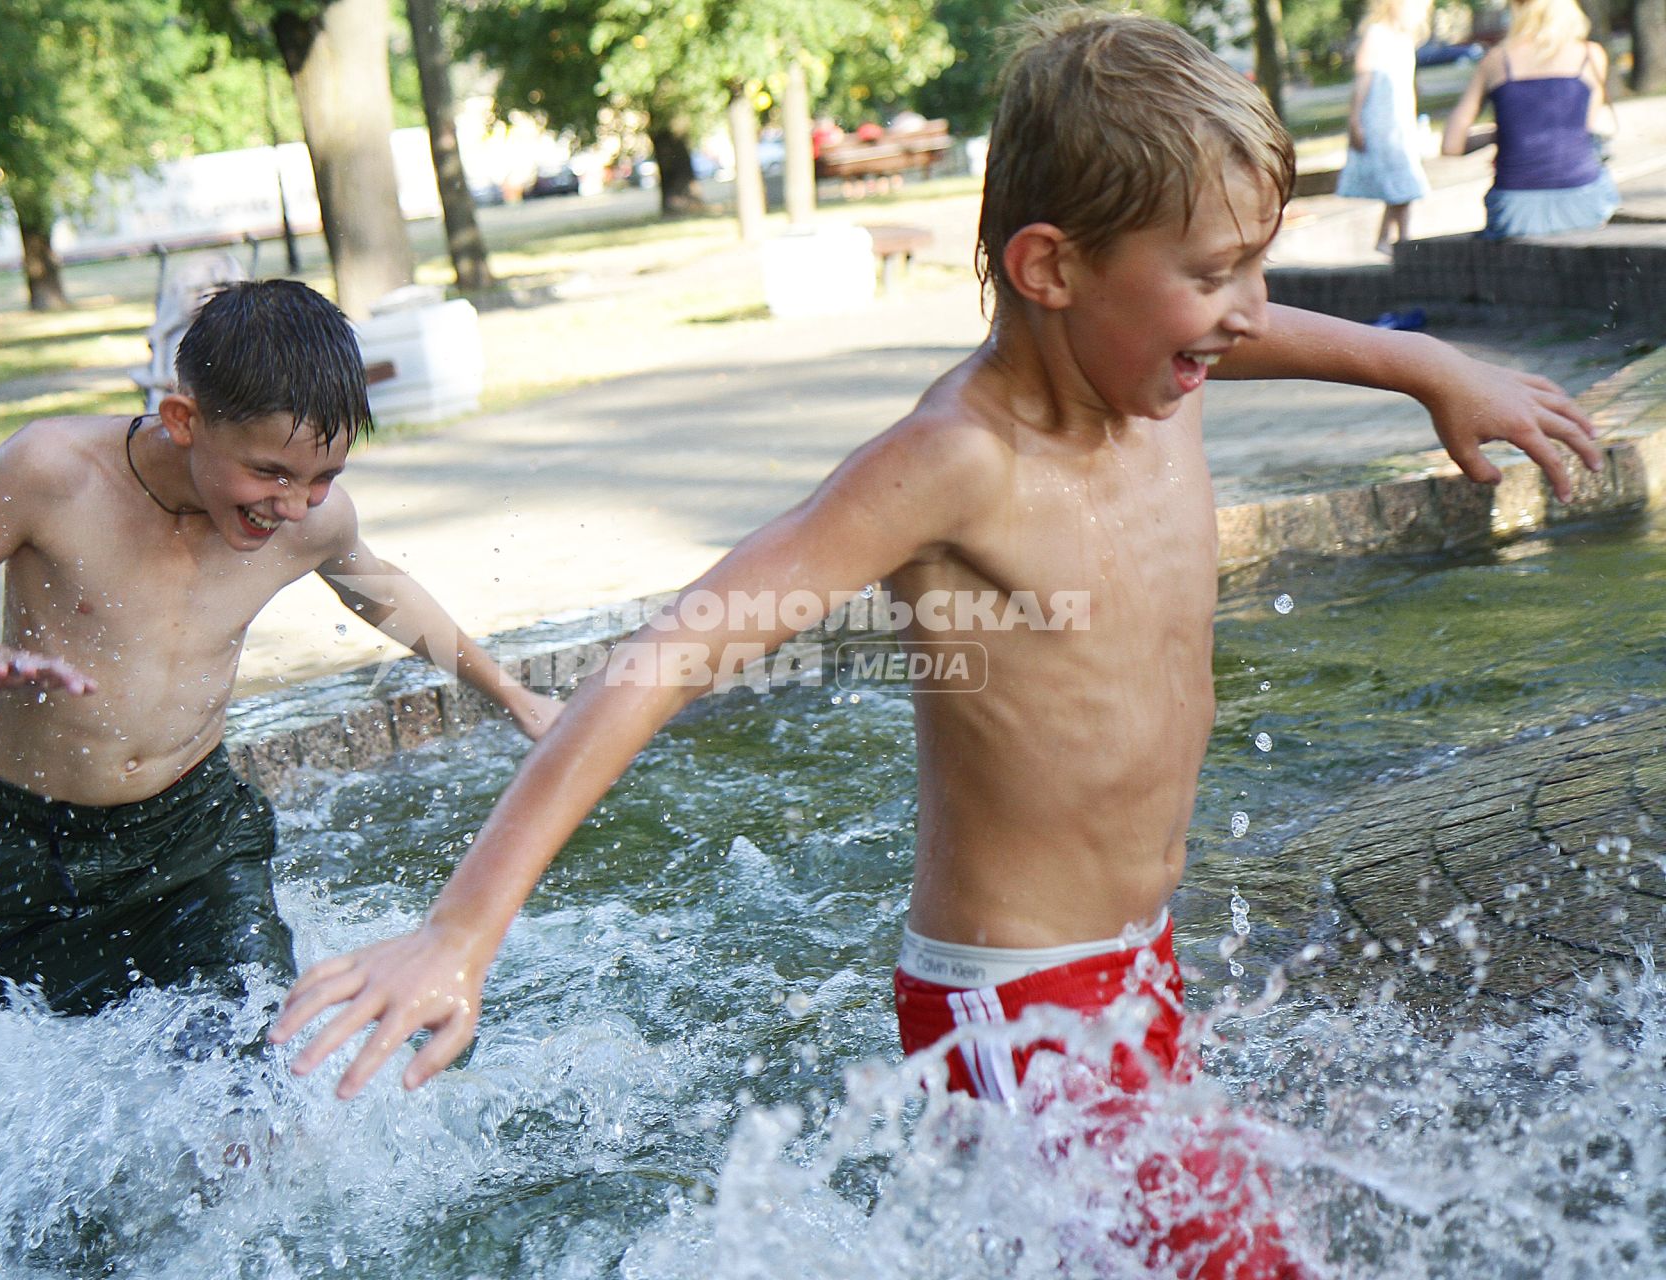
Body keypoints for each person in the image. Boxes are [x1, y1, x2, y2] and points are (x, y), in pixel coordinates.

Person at [273, 13, 1600, 1272]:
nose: (1248, 310)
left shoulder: (1154, 370)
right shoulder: (958, 461)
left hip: (1134, 957)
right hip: (1015, 999)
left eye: (1252, 265)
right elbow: (676, 650)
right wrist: (460, 930)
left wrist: (1430, 370)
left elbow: (1257, 335)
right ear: (1050, 269)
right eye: (1213, 274)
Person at [0, 279, 559, 1039]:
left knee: (258, 1060)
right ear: (184, 419)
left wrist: (513, 695)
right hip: (27, 850)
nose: (293, 504)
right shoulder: (53, 474)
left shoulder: (311, 522)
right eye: (271, 473)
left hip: (196, 836)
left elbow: (384, 597)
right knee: (41, 1100)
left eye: (324, 477)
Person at [1441, 0, 1619, 238]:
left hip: (1515, 210)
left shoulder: (1497, 60)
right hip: (1583, 200)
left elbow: (1451, 145)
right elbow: (1584, 128)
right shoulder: (1591, 55)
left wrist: (1502, 134)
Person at [1336, 0, 1433, 255]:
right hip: (1382, 123)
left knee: (1401, 185)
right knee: (1403, 183)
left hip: (1400, 122)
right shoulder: (1376, 35)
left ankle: (1392, 239)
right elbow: (1363, 79)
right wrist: (1355, 119)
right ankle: (1402, 241)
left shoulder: (1404, 39)